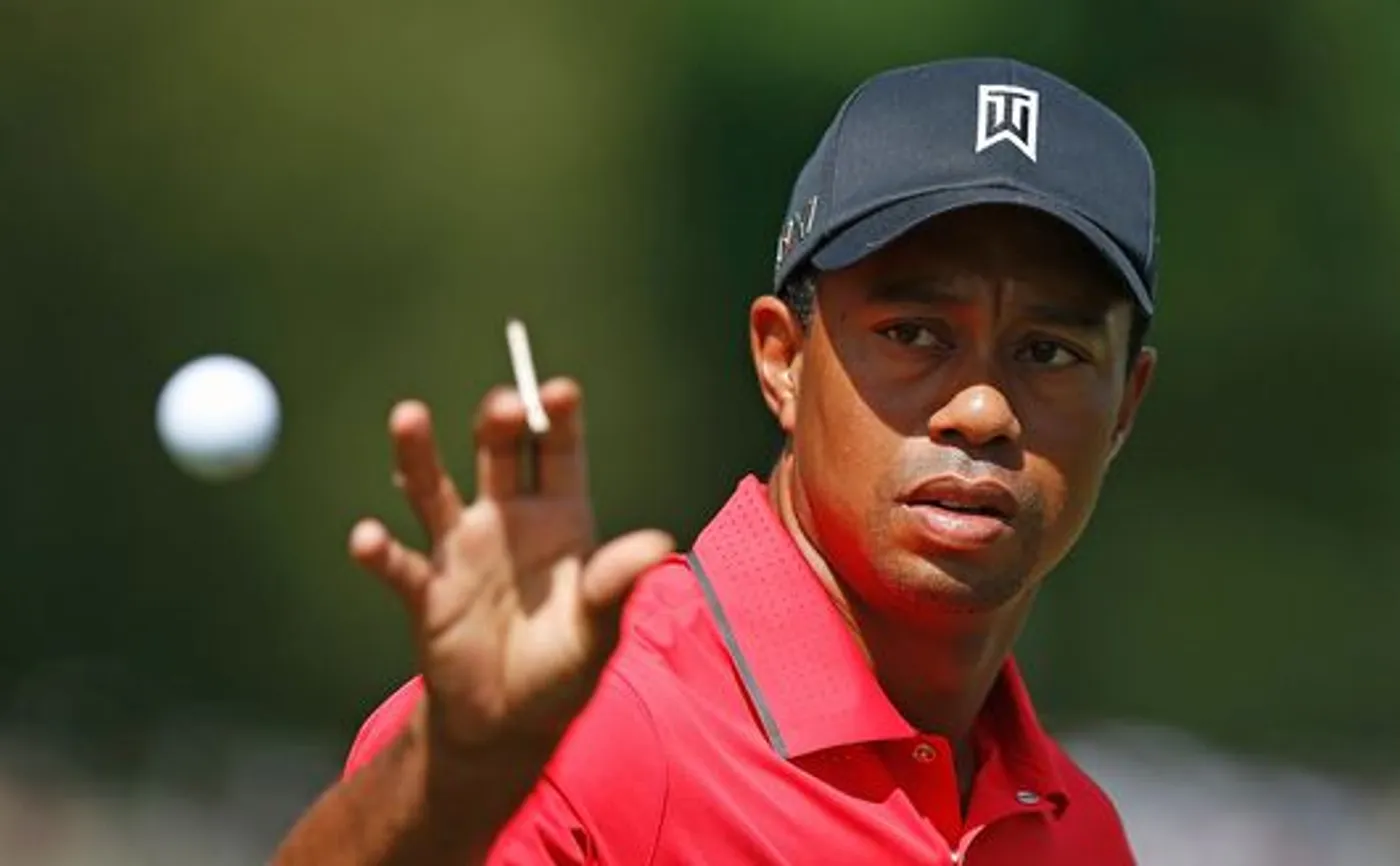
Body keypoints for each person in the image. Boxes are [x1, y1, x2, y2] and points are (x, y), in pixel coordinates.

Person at [273, 56, 1159, 865]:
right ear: (783, 360)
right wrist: (459, 773)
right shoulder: (582, 733)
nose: (981, 410)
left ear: (1126, 403)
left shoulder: (1081, 833)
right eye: (913, 333)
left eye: (1049, 351)